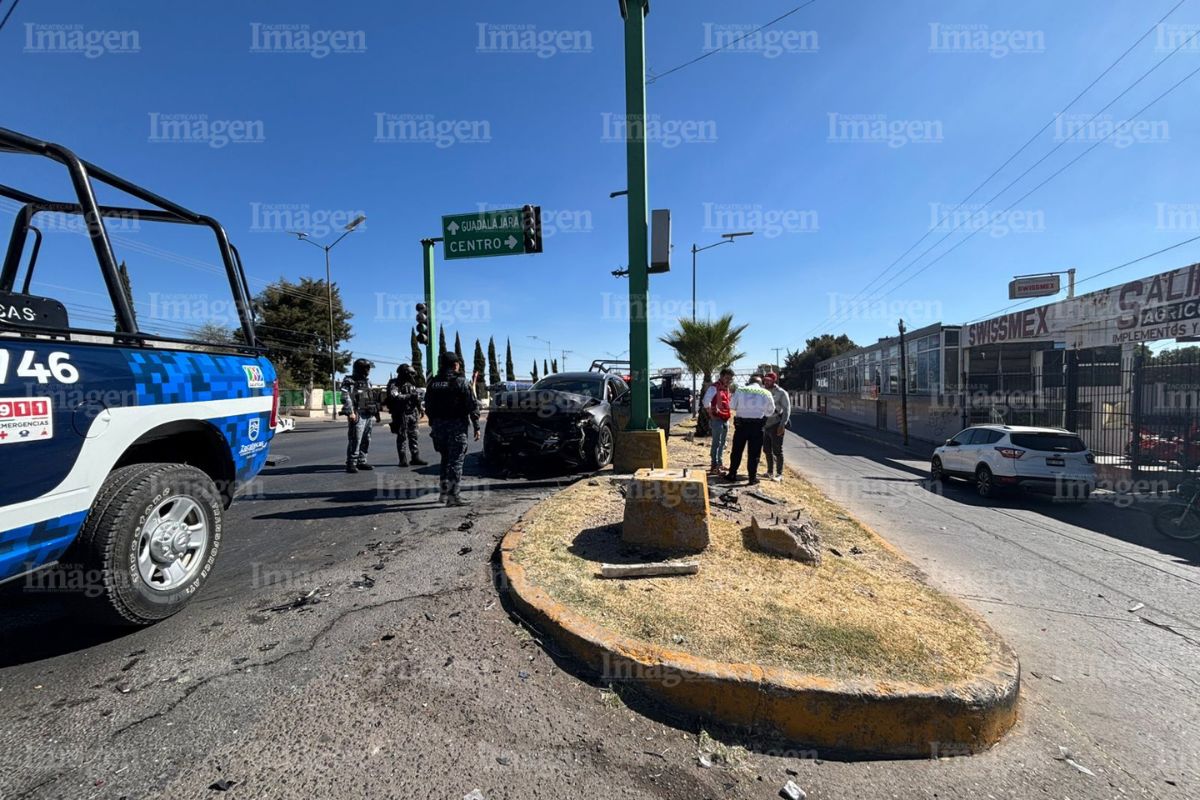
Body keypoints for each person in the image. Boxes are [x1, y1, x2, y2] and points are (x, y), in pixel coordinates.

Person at [423, 351, 480, 506]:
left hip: (438, 428)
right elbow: (472, 405)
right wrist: (476, 426)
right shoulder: (460, 382)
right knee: (456, 462)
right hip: (456, 427)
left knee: (445, 459)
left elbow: (428, 405)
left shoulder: (433, 383)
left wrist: (433, 424)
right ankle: (453, 496)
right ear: (455, 365)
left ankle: (443, 494)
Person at [725, 374, 775, 485]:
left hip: (741, 425)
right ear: (761, 383)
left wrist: (742, 409)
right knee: (754, 453)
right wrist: (762, 413)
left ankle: (732, 473)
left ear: (749, 382)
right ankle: (752, 478)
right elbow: (771, 411)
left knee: (737, 451)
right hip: (757, 427)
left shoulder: (740, 390)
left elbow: (731, 406)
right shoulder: (766, 392)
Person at [385, 364, 427, 467]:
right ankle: (402, 459)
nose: (412, 377)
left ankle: (415, 457)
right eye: (410, 374)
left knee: (414, 435)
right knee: (402, 436)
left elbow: (416, 397)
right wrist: (409, 396)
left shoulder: (411, 383)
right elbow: (394, 396)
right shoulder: (394, 383)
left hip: (413, 413)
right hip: (401, 413)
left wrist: (420, 408)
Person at [342, 358, 380, 473]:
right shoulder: (349, 380)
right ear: (359, 368)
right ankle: (351, 463)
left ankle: (362, 461)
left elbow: (371, 397)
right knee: (355, 439)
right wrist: (350, 412)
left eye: (368, 368)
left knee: (366, 439)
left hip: (368, 414)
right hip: (358, 413)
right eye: (366, 368)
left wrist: (377, 414)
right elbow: (345, 396)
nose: (368, 370)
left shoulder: (368, 382)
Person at [701, 368, 734, 475]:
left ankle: (719, 463)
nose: (728, 380)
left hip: (725, 419)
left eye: (730, 379)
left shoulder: (726, 389)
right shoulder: (714, 387)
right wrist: (711, 415)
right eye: (727, 378)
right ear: (721, 376)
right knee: (716, 443)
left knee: (723, 443)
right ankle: (714, 465)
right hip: (717, 420)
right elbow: (706, 402)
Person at [761, 371, 792, 482]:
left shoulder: (781, 393)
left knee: (777, 451)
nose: (766, 382)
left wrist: (782, 425)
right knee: (766, 450)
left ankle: (779, 474)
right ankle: (770, 472)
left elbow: (787, 410)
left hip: (776, 424)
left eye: (769, 380)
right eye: (765, 380)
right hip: (765, 425)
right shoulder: (763, 391)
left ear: (774, 381)